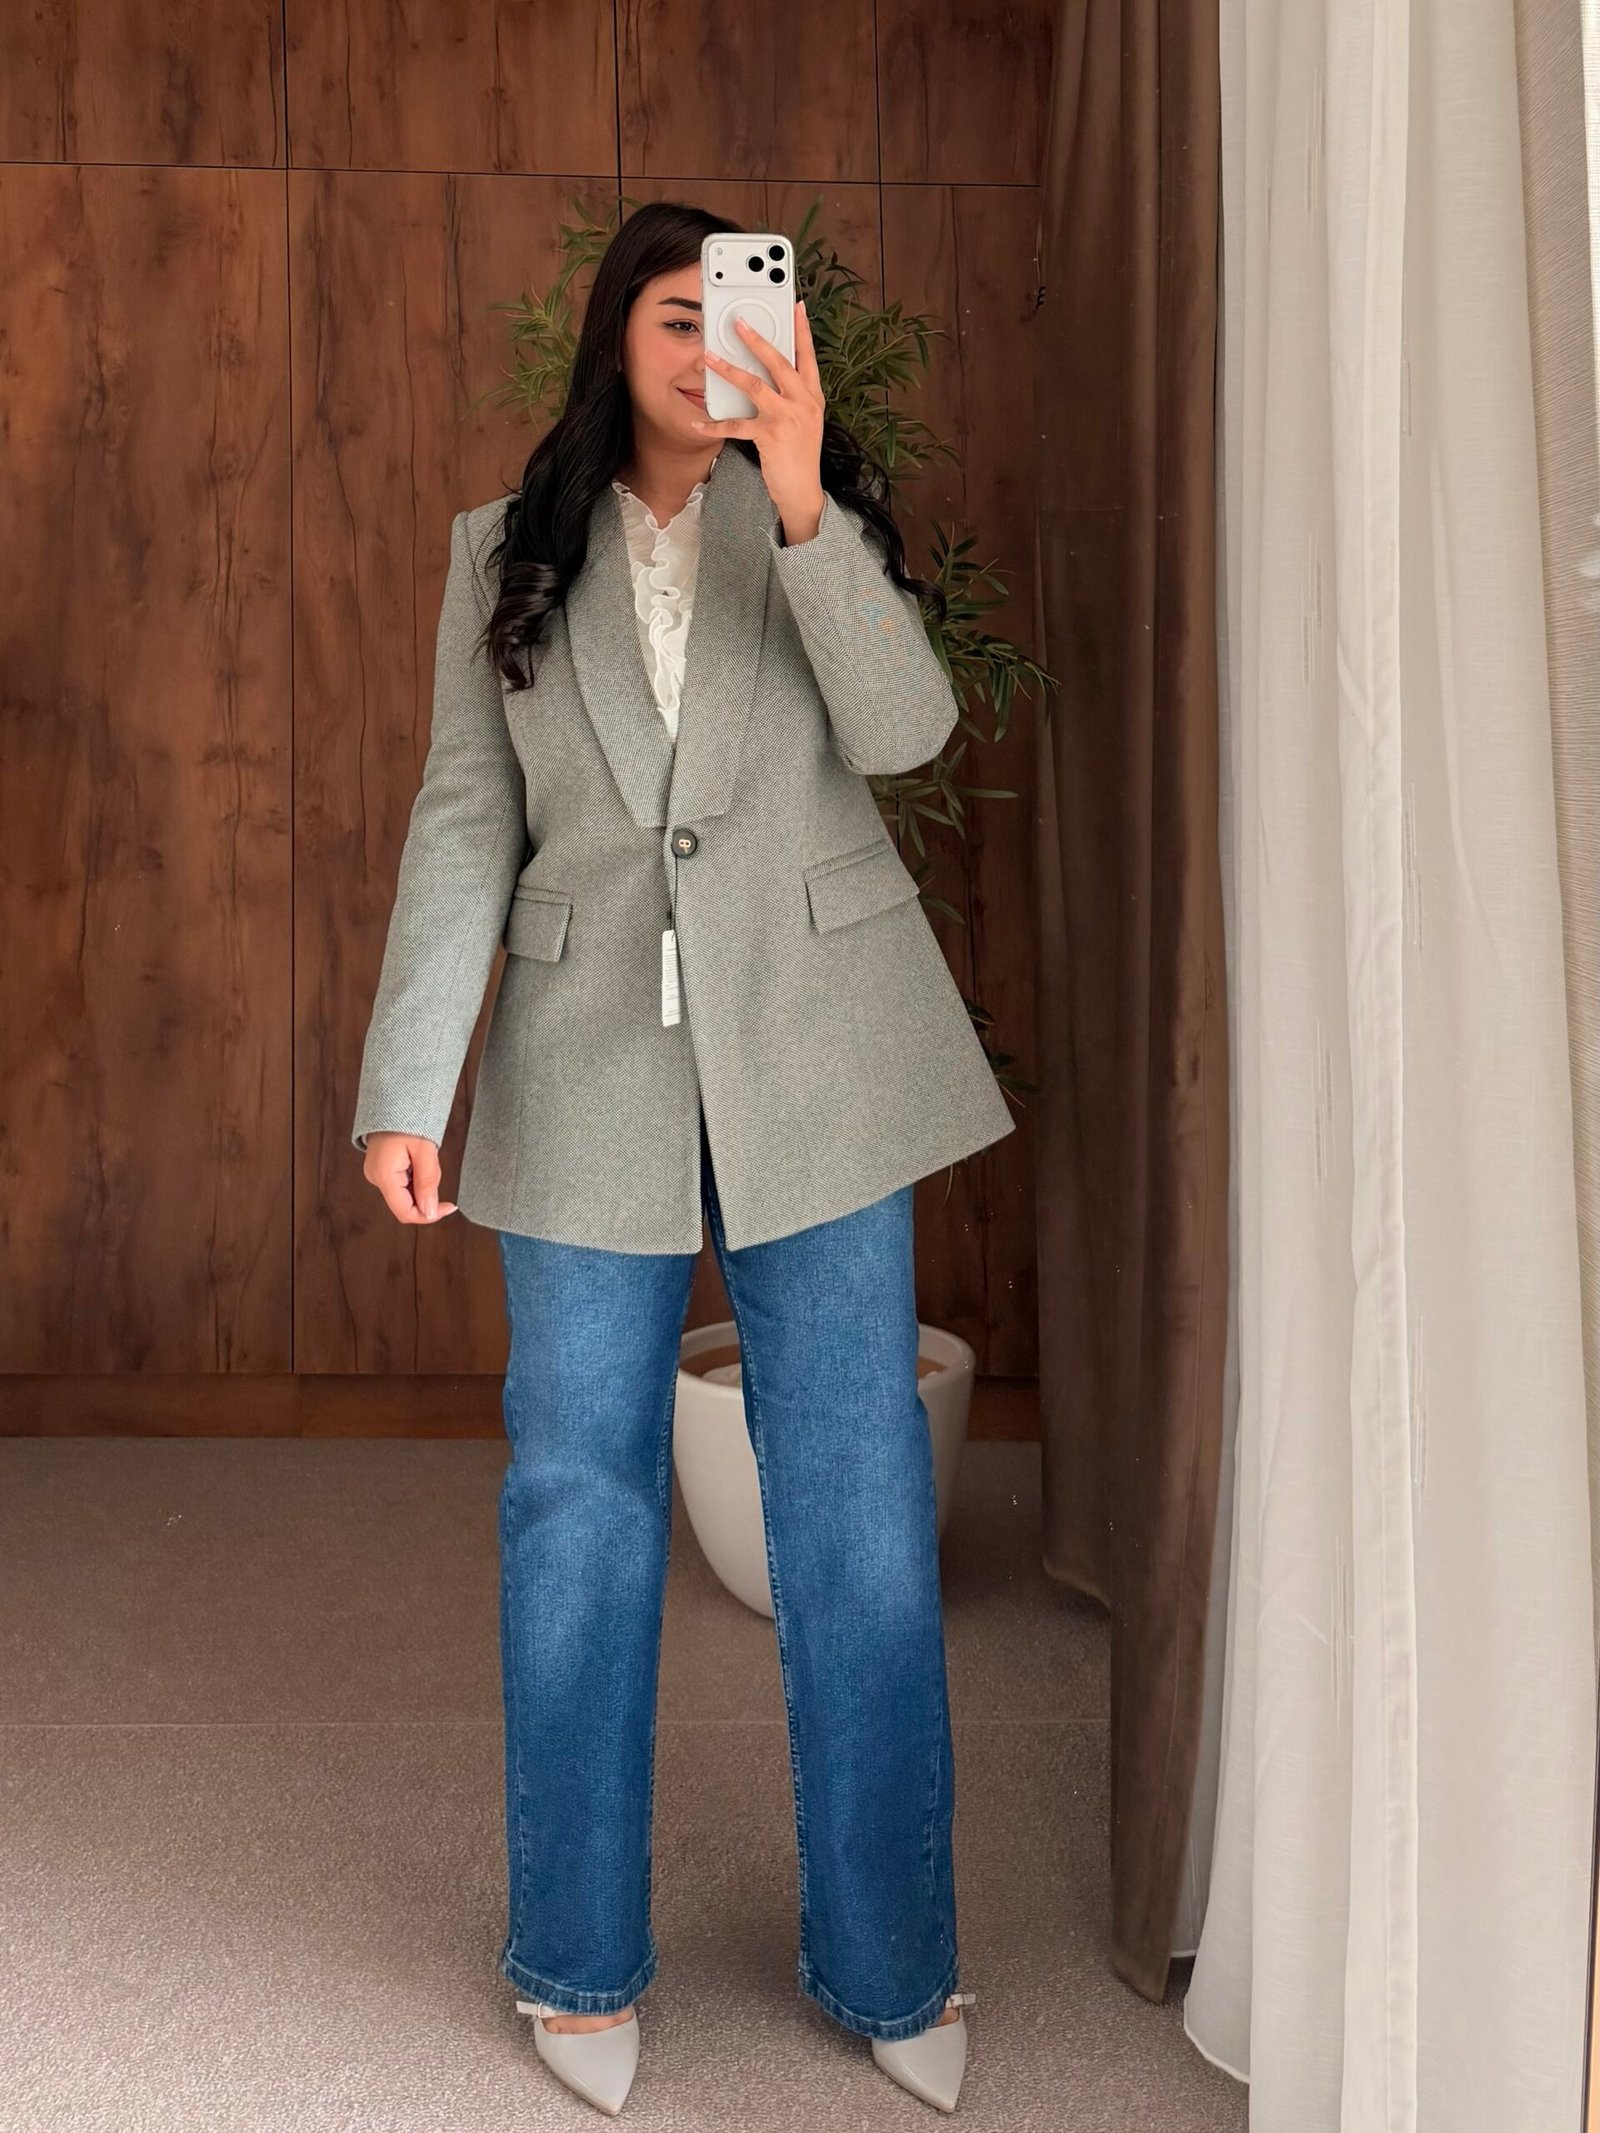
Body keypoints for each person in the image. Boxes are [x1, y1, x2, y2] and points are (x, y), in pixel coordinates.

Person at [352, 202, 1011, 2116]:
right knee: (576, 1502)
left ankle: (895, 1958)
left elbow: (905, 731)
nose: (707, 337)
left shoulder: (814, 511)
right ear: (615, 337)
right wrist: (409, 1083)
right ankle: (575, 1959)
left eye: (729, 305)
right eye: (672, 308)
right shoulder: (505, 548)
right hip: (583, 1072)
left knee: (859, 1507)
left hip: (822, 1057)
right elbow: (464, 821)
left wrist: (800, 499)